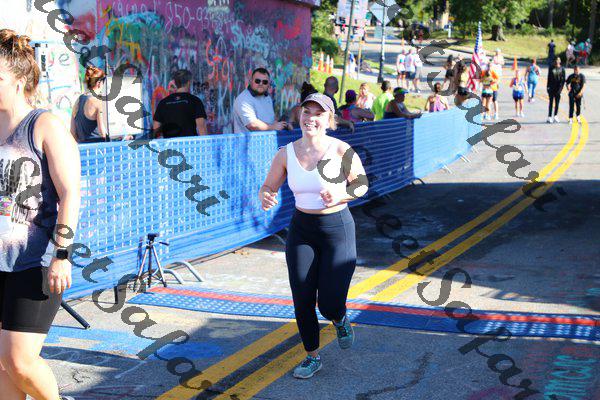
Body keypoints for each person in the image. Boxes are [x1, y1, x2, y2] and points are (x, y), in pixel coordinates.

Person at [259, 93, 368, 379]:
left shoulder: (341, 149)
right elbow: (268, 186)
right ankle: (312, 356)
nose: (310, 118)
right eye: (306, 112)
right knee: (302, 298)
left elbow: (361, 185)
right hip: (302, 230)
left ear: (329, 119)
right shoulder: (285, 153)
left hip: (337, 230)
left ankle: (339, 318)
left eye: (318, 114)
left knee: (329, 303)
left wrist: (340, 194)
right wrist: (265, 195)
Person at [0, 29, 80, 400]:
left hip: (34, 262)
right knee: (2, 363)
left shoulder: (44, 125)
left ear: (18, 81)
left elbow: (70, 194)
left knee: (19, 361)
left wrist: (62, 254)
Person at [153, 69, 208, 138]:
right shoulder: (195, 101)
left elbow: (156, 129)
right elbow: (202, 128)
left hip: (169, 144)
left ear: (175, 83)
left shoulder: (163, 103)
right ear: (188, 82)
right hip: (189, 143)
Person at [232, 67, 287, 133]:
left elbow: (271, 121)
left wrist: (283, 125)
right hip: (249, 140)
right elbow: (252, 124)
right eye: (257, 81)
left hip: (268, 139)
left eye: (265, 82)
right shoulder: (244, 99)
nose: (261, 84)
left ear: (268, 84)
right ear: (251, 81)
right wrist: (272, 127)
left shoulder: (267, 98)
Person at [70, 65, 107, 143]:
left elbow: (72, 132)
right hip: (98, 147)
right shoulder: (98, 102)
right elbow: (102, 132)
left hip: (82, 147)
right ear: (99, 83)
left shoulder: (78, 100)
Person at [547, 57, 566, 124]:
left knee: (557, 103)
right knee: (551, 103)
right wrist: (548, 87)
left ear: (560, 61)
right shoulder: (551, 68)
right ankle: (549, 117)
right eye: (556, 60)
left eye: (558, 60)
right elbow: (549, 78)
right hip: (551, 88)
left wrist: (561, 89)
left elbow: (563, 80)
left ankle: (555, 116)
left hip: (558, 89)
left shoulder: (562, 69)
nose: (557, 61)